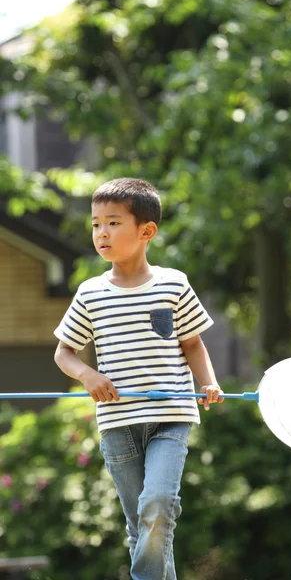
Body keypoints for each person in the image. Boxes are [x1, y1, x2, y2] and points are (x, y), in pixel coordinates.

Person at [53, 177, 223, 580]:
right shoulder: (90, 293)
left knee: (159, 506)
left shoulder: (173, 284)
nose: (101, 233)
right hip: (117, 424)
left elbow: (193, 344)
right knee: (142, 527)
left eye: (113, 222)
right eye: (95, 224)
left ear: (146, 231)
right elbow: (64, 352)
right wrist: (86, 374)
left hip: (171, 417)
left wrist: (208, 383)